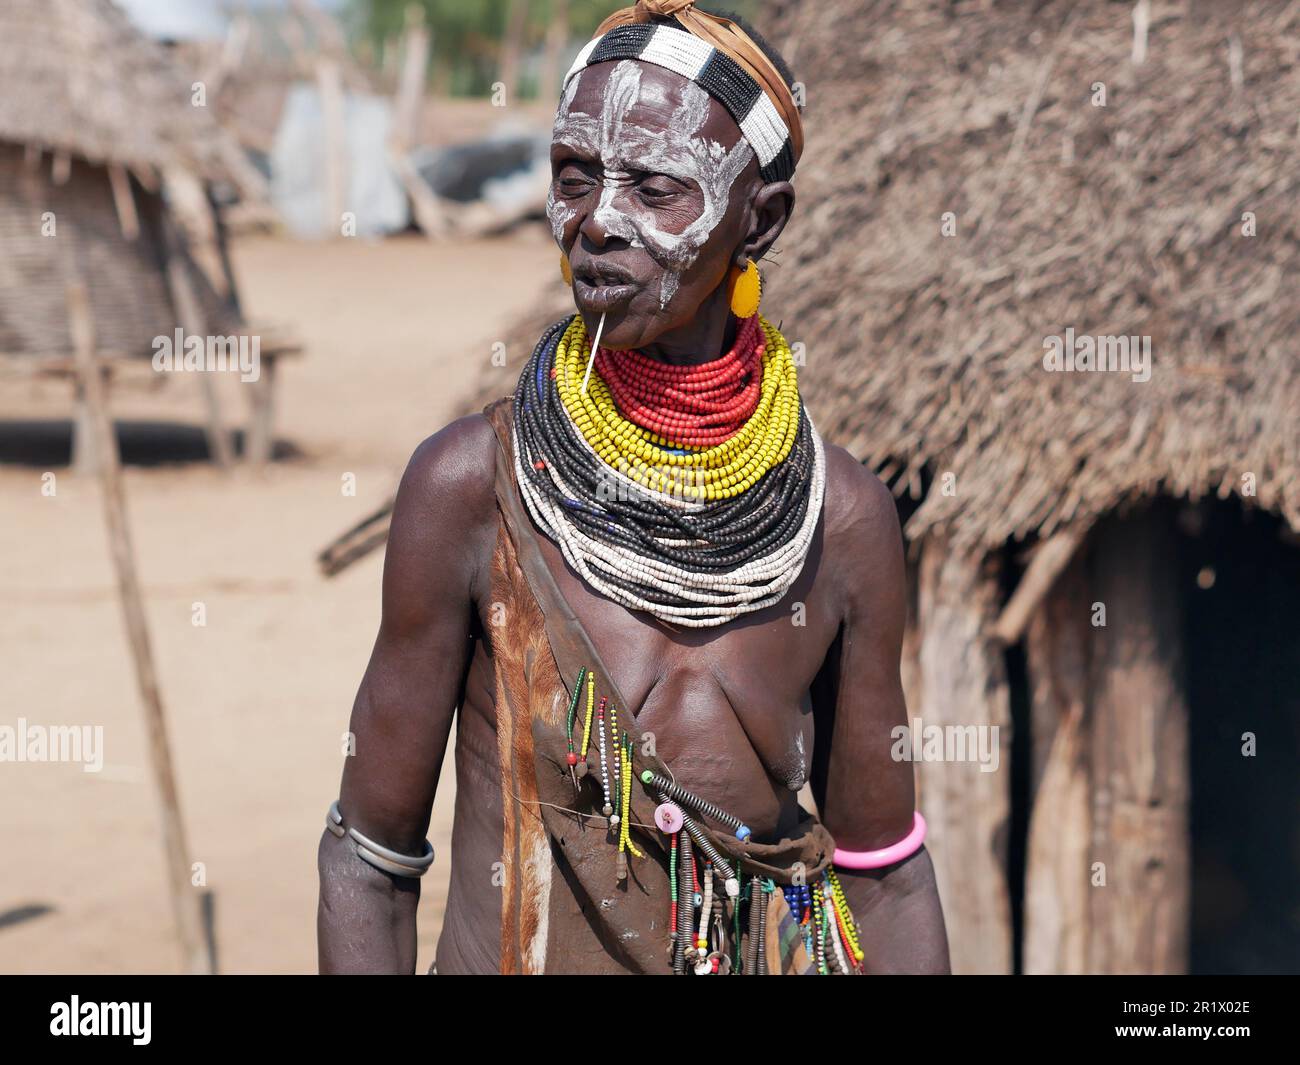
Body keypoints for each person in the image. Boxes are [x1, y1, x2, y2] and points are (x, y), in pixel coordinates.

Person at [318, 0, 949, 975]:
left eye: (656, 186)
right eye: (574, 176)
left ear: (760, 220)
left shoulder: (840, 523)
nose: (597, 221)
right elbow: (369, 856)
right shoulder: (471, 491)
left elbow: (885, 876)